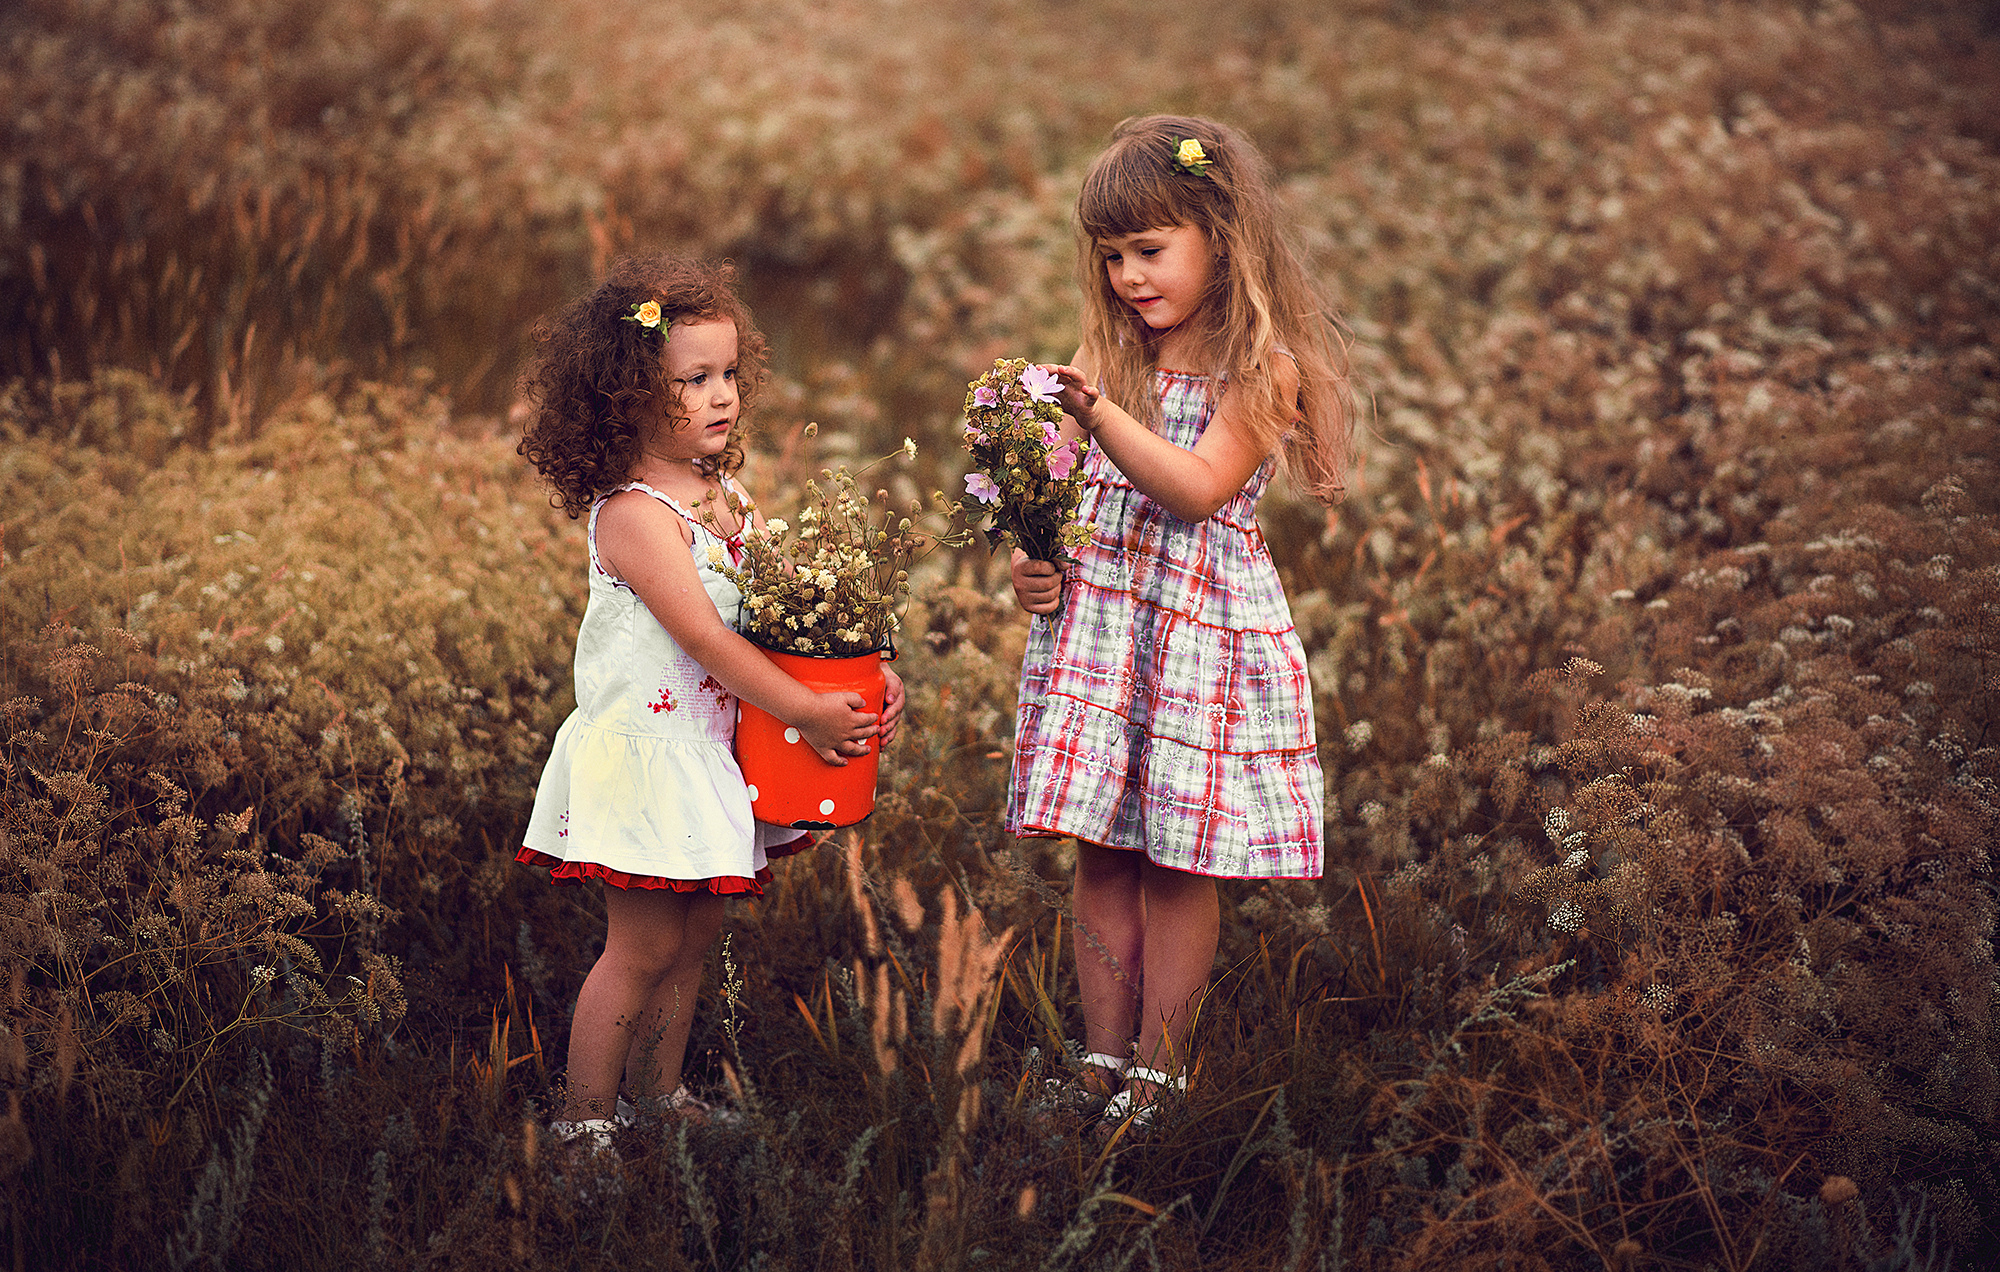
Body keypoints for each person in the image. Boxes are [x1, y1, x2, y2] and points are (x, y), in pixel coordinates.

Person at [1008, 116, 1352, 1131]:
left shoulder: (1261, 366)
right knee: (1100, 851)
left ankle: (1159, 1074)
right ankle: (1098, 1060)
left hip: (1195, 634)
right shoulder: (1110, 352)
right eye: (1110, 257)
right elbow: (1065, 492)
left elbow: (1196, 490)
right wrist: (1032, 560)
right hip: (1103, 626)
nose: (1127, 279)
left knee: (1174, 859)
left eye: (1149, 252)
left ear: (1219, 236)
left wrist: (1098, 413)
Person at [515, 255, 902, 1149]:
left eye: (729, 374)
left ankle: (658, 1098)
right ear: (629, 398)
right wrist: (804, 715)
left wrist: (864, 672)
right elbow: (710, 642)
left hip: (706, 755)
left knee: (692, 942)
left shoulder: (723, 493)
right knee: (642, 948)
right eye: (694, 380)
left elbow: (780, 617)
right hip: (648, 756)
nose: (722, 395)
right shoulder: (636, 514)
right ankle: (582, 1127)